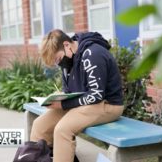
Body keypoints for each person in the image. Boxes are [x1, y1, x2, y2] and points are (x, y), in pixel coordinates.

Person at [30, 29, 124, 162]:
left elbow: (96, 94)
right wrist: (58, 97)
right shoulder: (68, 59)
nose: (59, 64)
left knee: (62, 130)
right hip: (83, 104)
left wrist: (63, 104)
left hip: (107, 105)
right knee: (40, 125)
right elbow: (69, 91)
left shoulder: (93, 54)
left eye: (58, 59)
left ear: (67, 45)